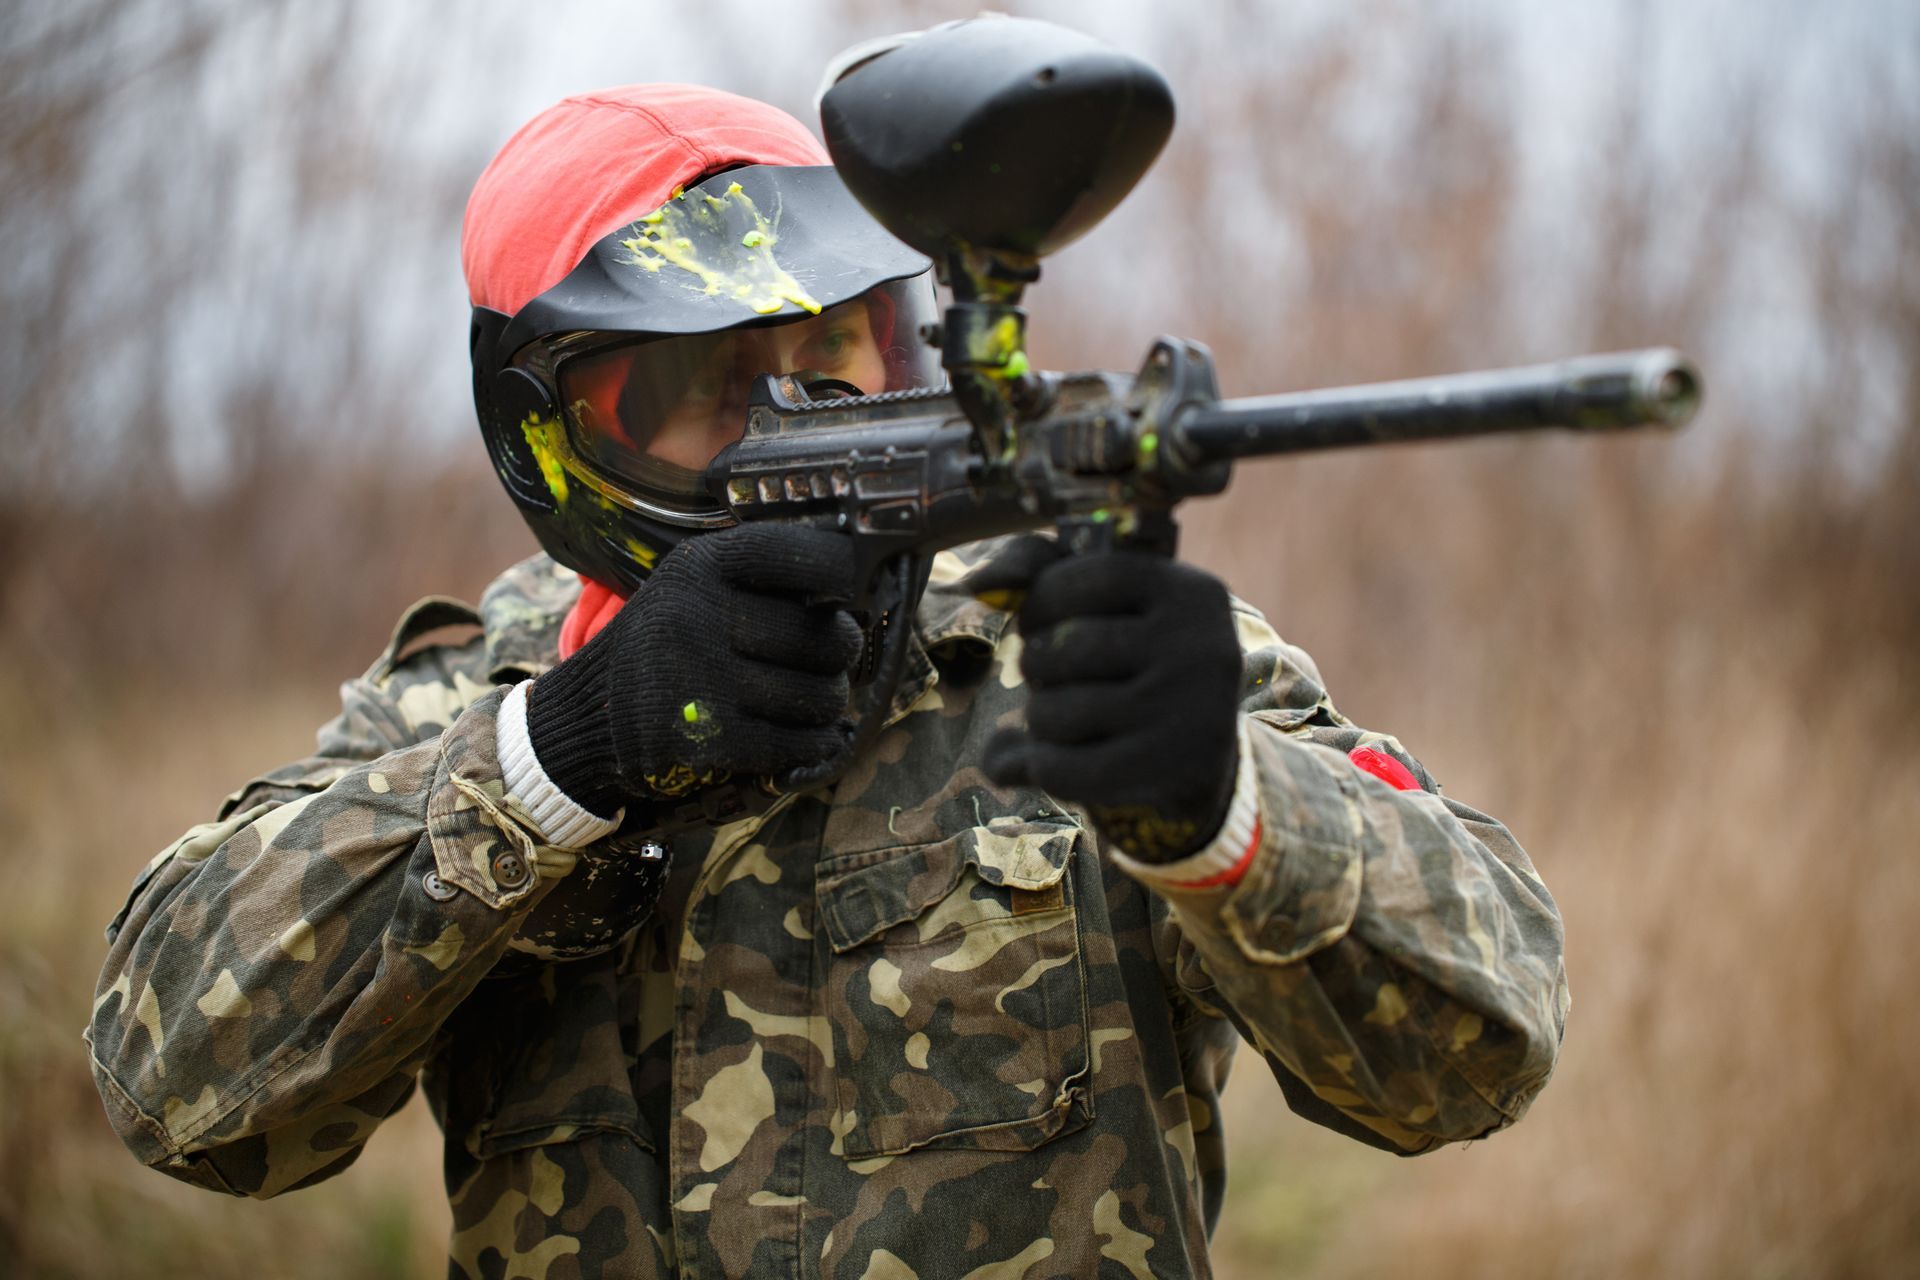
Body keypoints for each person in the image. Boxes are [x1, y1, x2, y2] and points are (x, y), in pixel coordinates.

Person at [87, 77, 1568, 1280]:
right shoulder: (472, 702)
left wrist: (1228, 808)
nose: (799, 410)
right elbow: (178, 1090)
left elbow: (1479, 1050)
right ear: (546, 429)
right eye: (701, 383)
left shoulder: (1072, 652)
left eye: (838, 346)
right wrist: (565, 759)